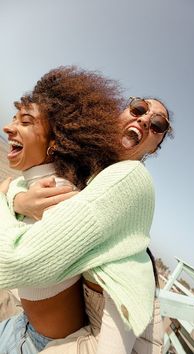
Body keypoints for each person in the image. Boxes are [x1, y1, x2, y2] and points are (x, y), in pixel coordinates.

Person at [0, 67, 172, 354]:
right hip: (22, 325)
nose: (144, 119)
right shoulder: (89, 168)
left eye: (157, 124)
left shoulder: (130, 177)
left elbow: (18, 260)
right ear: (119, 113)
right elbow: (29, 178)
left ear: (154, 148)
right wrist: (19, 199)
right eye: (138, 108)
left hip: (53, 344)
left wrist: (3, 198)